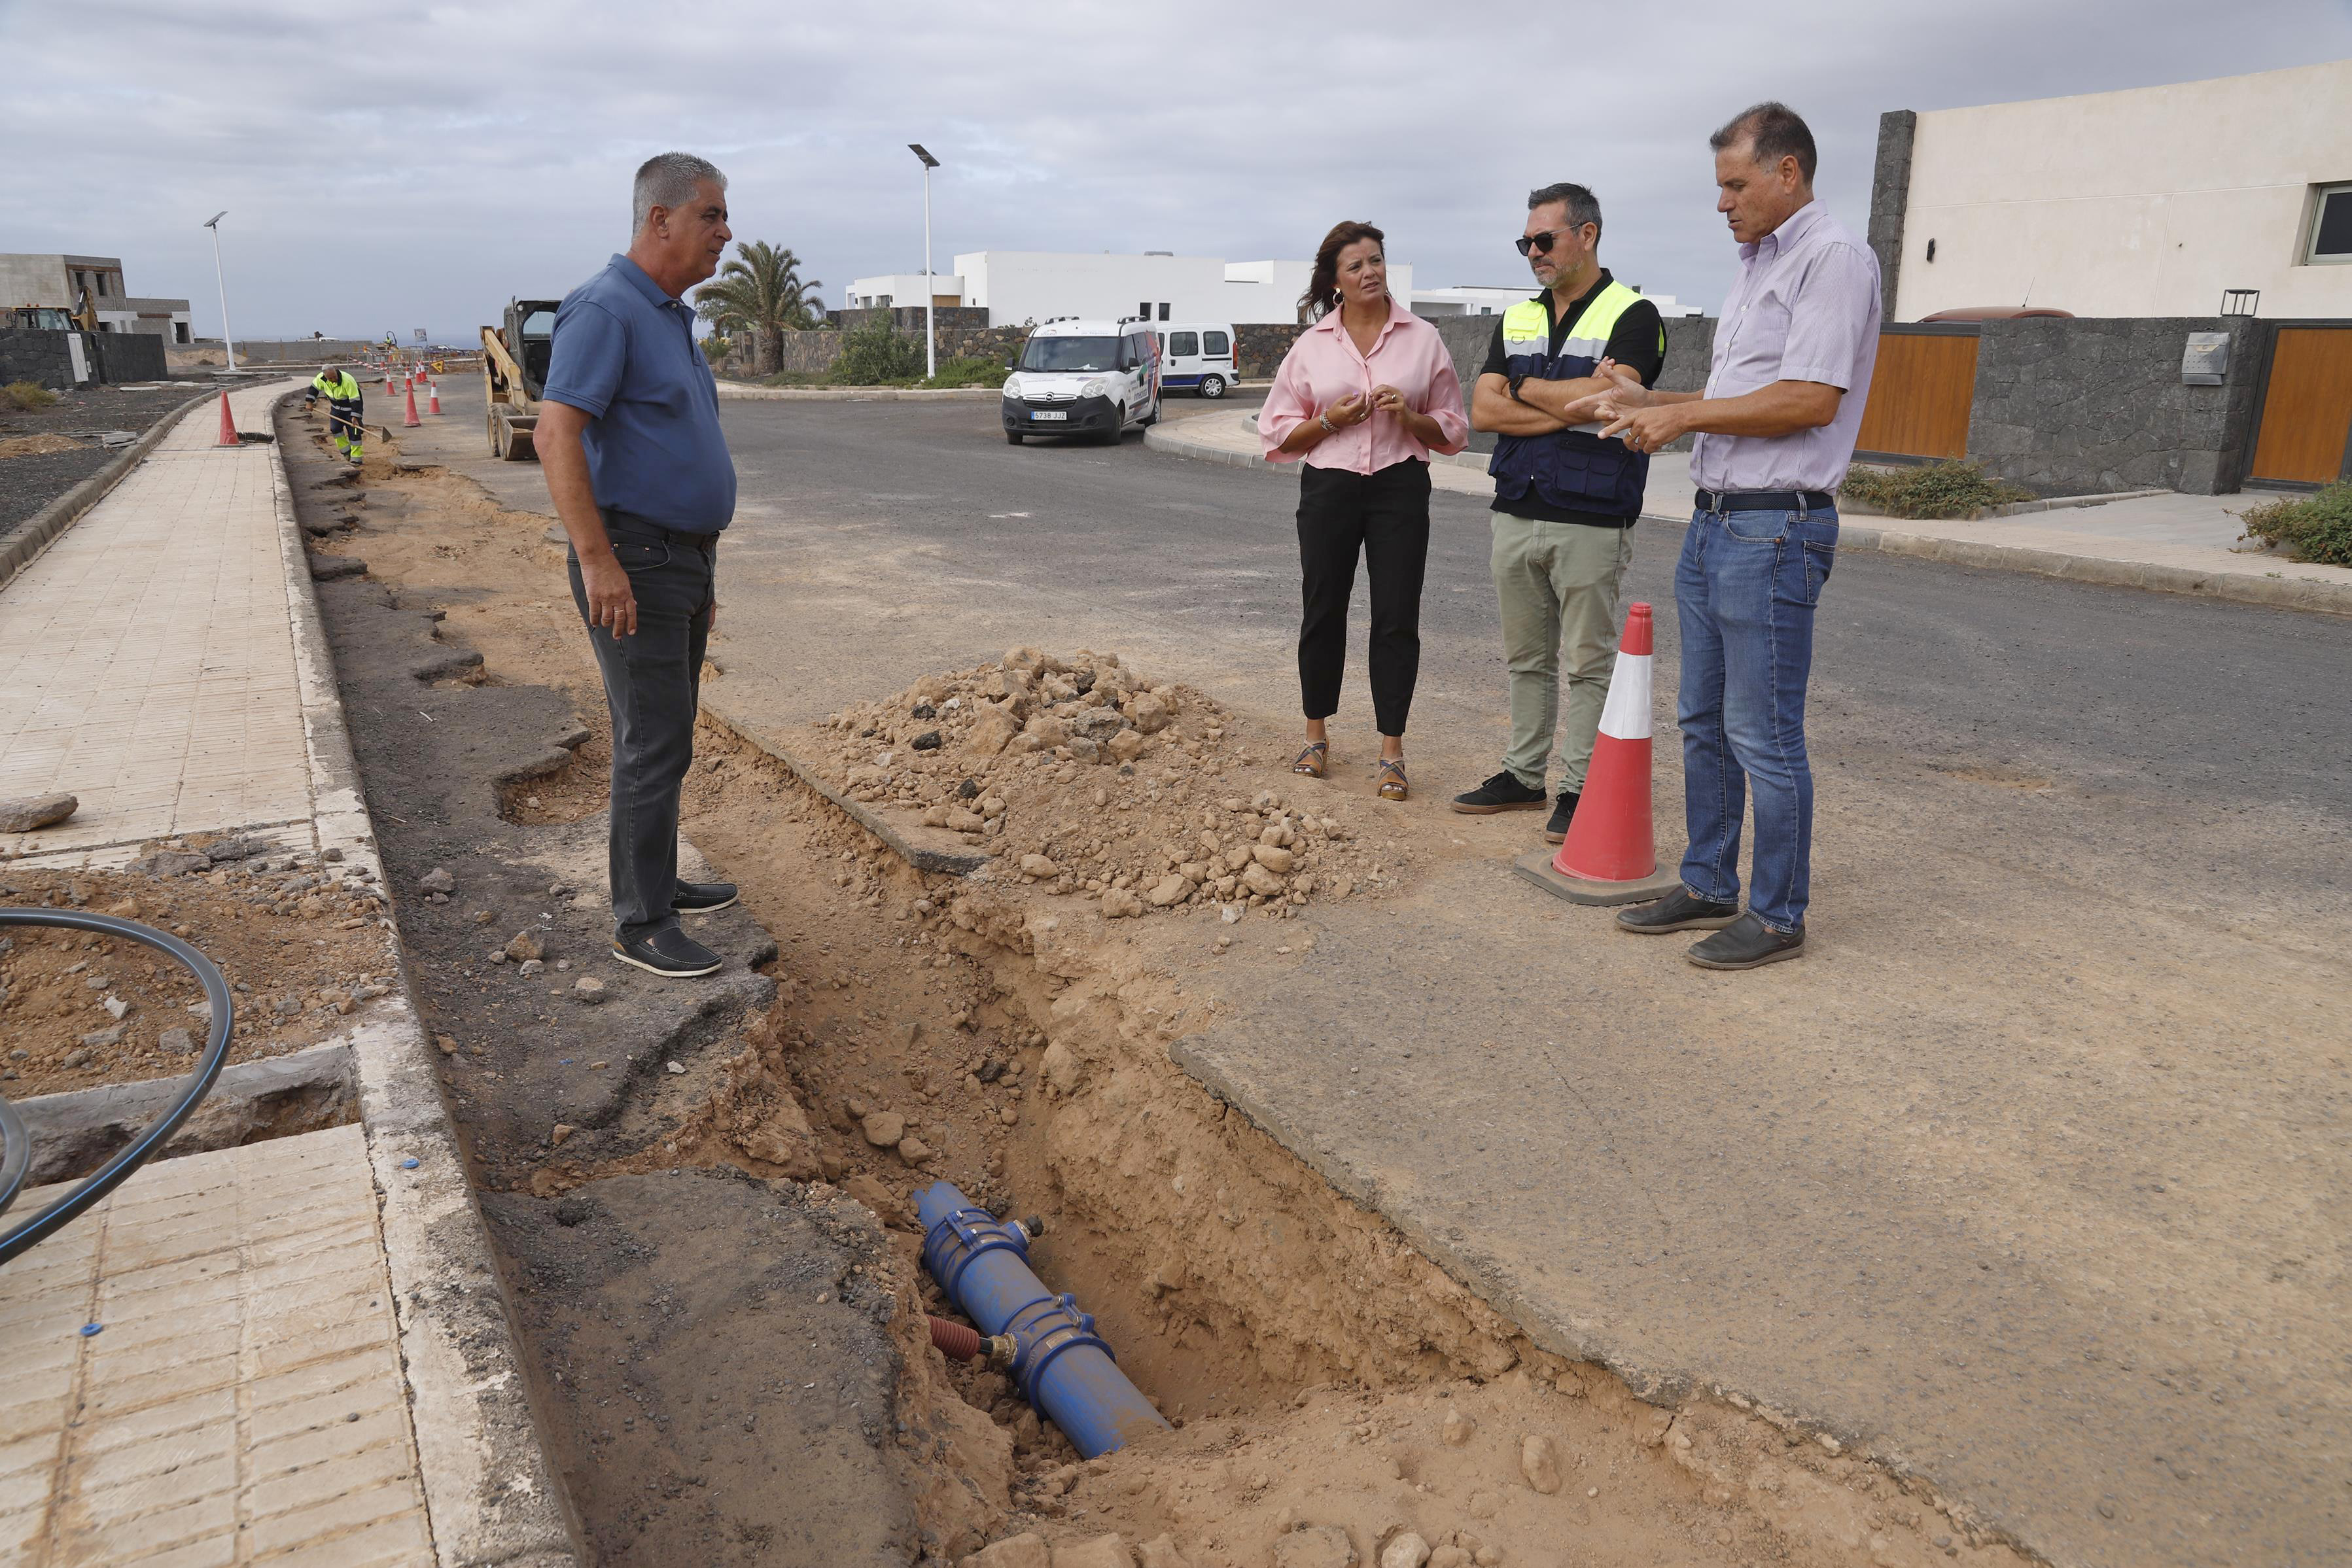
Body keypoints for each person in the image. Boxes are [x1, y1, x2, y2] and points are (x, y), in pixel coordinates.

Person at [1585, 102, 1881, 969]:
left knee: (1762, 730)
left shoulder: (1830, 261)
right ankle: (1708, 879)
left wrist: (1675, 418)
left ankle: (1777, 913)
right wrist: (1653, 403)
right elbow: (1743, 394)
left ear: (1787, 173)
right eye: (1719, 186)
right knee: (1703, 720)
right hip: (1717, 525)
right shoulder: (1755, 266)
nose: (1722, 204)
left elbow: (1805, 400)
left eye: (1734, 184)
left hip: (1772, 531)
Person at [536, 152, 741, 979]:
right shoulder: (605, 309)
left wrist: (706, 576)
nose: (725, 233)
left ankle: (658, 881)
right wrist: (599, 562)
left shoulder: (667, 315)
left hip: (679, 565)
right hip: (634, 564)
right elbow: (556, 435)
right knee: (652, 741)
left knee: (668, 734)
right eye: (711, 216)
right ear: (660, 220)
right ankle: (640, 922)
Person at [1450, 183, 1665, 845]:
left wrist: (1523, 386)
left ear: (1587, 235)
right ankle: (1522, 775)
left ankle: (1579, 787)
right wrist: (1563, 399)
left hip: (1591, 517)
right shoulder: (1515, 319)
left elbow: (1608, 404)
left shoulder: (1635, 315)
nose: (1532, 253)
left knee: (1588, 661)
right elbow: (1481, 412)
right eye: (1525, 243)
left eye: (1543, 240)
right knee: (1526, 656)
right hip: (1516, 508)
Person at [1258, 220, 1468, 801]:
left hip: (1400, 484)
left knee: (1396, 616)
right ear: (1335, 282)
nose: (1369, 272)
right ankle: (1315, 734)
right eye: (1355, 266)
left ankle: (1392, 752)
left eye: (1375, 260)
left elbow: (1452, 427)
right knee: (1322, 608)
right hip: (1328, 484)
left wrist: (1409, 417)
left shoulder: (1422, 338)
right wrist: (1332, 420)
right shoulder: (1311, 346)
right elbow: (1276, 432)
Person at [304, 364, 365, 466]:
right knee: (335, 429)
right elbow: (313, 389)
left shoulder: (348, 381)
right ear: (326, 377)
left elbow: (356, 400)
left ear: (336, 372)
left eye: (334, 377)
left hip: (351, 408)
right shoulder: (321, 378)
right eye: (330, 378)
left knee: (354, 432)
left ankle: (356, 458)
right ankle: (346, 453)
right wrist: (309, 402)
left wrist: (355, 416)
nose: (333, 379)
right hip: (336, 408)